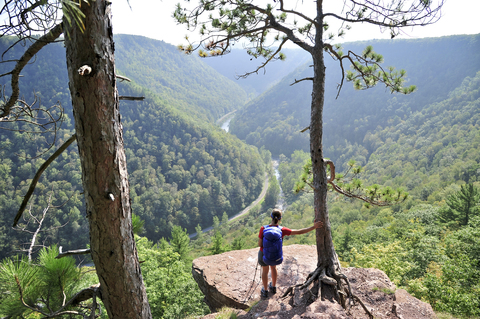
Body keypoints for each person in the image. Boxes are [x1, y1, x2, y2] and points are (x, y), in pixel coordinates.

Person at [258, 208, 323, 298]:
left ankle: (265, 291)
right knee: (273, 268)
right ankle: (273, 287)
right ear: (280, 218)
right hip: (275, 255)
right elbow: (299, 231)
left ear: (271, 216)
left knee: (265, 271)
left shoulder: (263, 228)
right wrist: (314, 227)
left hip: (264, 254)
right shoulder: (282, 230)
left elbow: (260, 244)